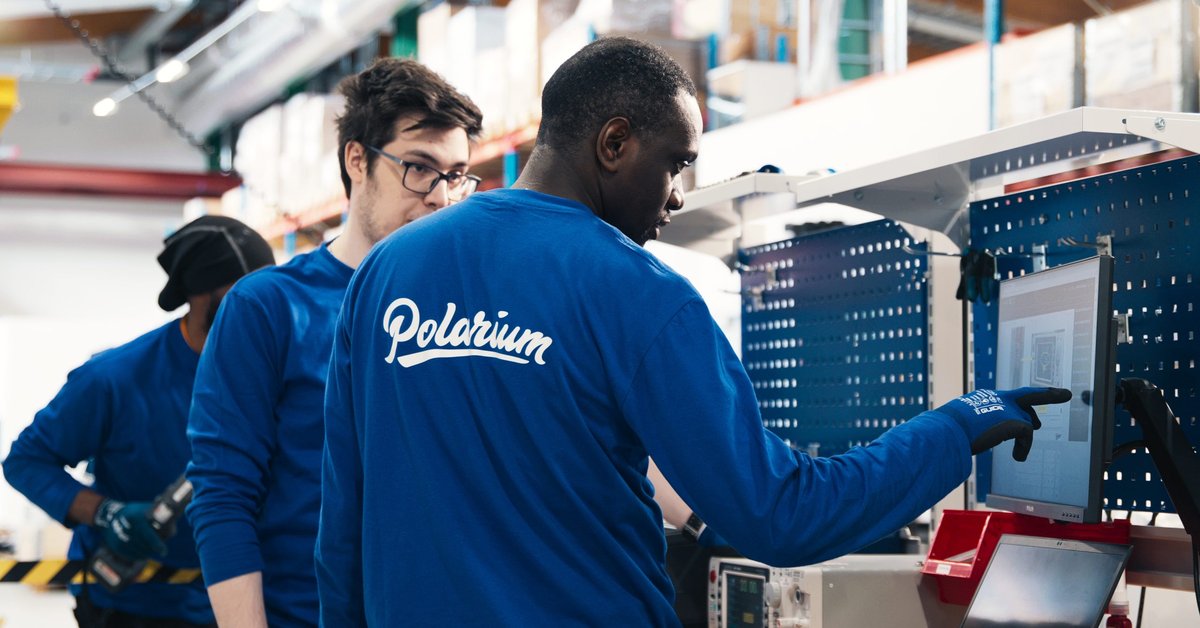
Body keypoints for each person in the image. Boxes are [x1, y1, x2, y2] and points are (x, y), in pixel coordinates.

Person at [317, 36, 1072, 625]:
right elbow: (782, 514)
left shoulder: (385, 277)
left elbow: (341, 529)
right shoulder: (637, 292)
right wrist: (955, 427)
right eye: (677, 162)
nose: (679, 195)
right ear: (613, 144)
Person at [184, 57, 483, 627]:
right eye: (419, 168)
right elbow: (223, 495)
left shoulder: (464, 317)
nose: (442, 198)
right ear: (357, 160)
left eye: (456, 175)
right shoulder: (269, 306)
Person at [2, 215, 274, 628]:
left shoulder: (276, 374)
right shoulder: (115, 378)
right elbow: (26, 461)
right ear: (204, 295)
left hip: (241, 601)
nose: (270, 307)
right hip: (132, 606)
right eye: (251, 292)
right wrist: (108, 513)